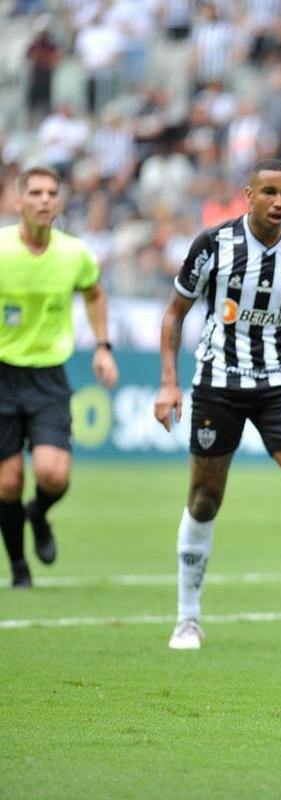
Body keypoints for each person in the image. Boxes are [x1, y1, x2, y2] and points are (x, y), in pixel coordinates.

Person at [153, 158, 281, 651]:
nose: (279, 203)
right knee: (204, 500)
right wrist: (168, 383)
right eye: (269, 192)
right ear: (248, 195)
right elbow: (174, 313)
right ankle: (188, 618)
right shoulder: (213, 245)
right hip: (217, 384)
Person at [1, 165, 119, 589]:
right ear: (19, 202)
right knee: (8, 481)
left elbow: (94, 291)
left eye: (52, 192)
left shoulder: (74, 253)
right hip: (2, 375)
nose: (44, 199)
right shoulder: (2, 250)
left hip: (48, 376)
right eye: (34, 192)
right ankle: (18, 565)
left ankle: (40, 513)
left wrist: (102, 346)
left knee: (54, 475)